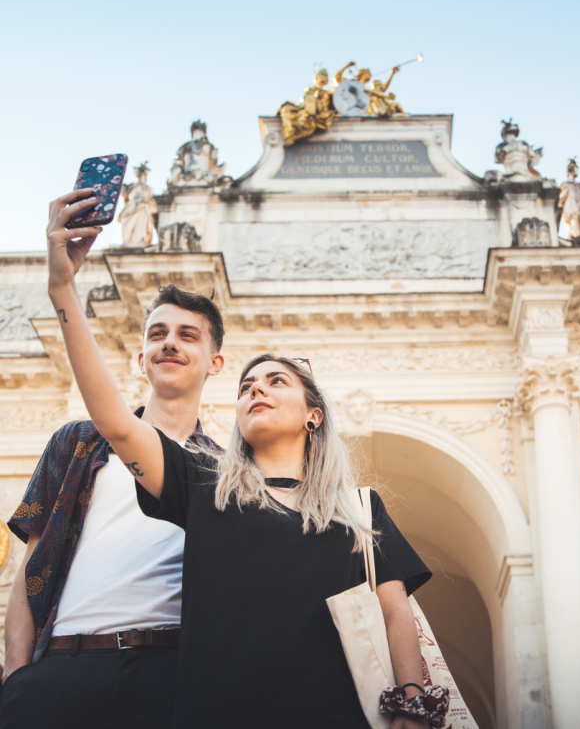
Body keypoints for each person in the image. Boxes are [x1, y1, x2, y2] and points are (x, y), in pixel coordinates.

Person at [41, 187, 442, 729]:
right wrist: (63, 287)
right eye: (247, 385)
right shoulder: (202, 482)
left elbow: (396, 611)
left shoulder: (360, 509)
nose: (257, 390)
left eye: (277, 381)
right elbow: (115, 422)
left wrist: (413, 707)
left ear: (314, 414)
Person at [1, 188, 225, 729]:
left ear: (215, 363)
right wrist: (15, 674)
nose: (170, 343)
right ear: (139, 357)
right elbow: (31, 564)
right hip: (64, 667)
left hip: (171, 673)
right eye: (158, 333)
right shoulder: (77, 442)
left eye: (188, 335)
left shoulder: (228, 471)